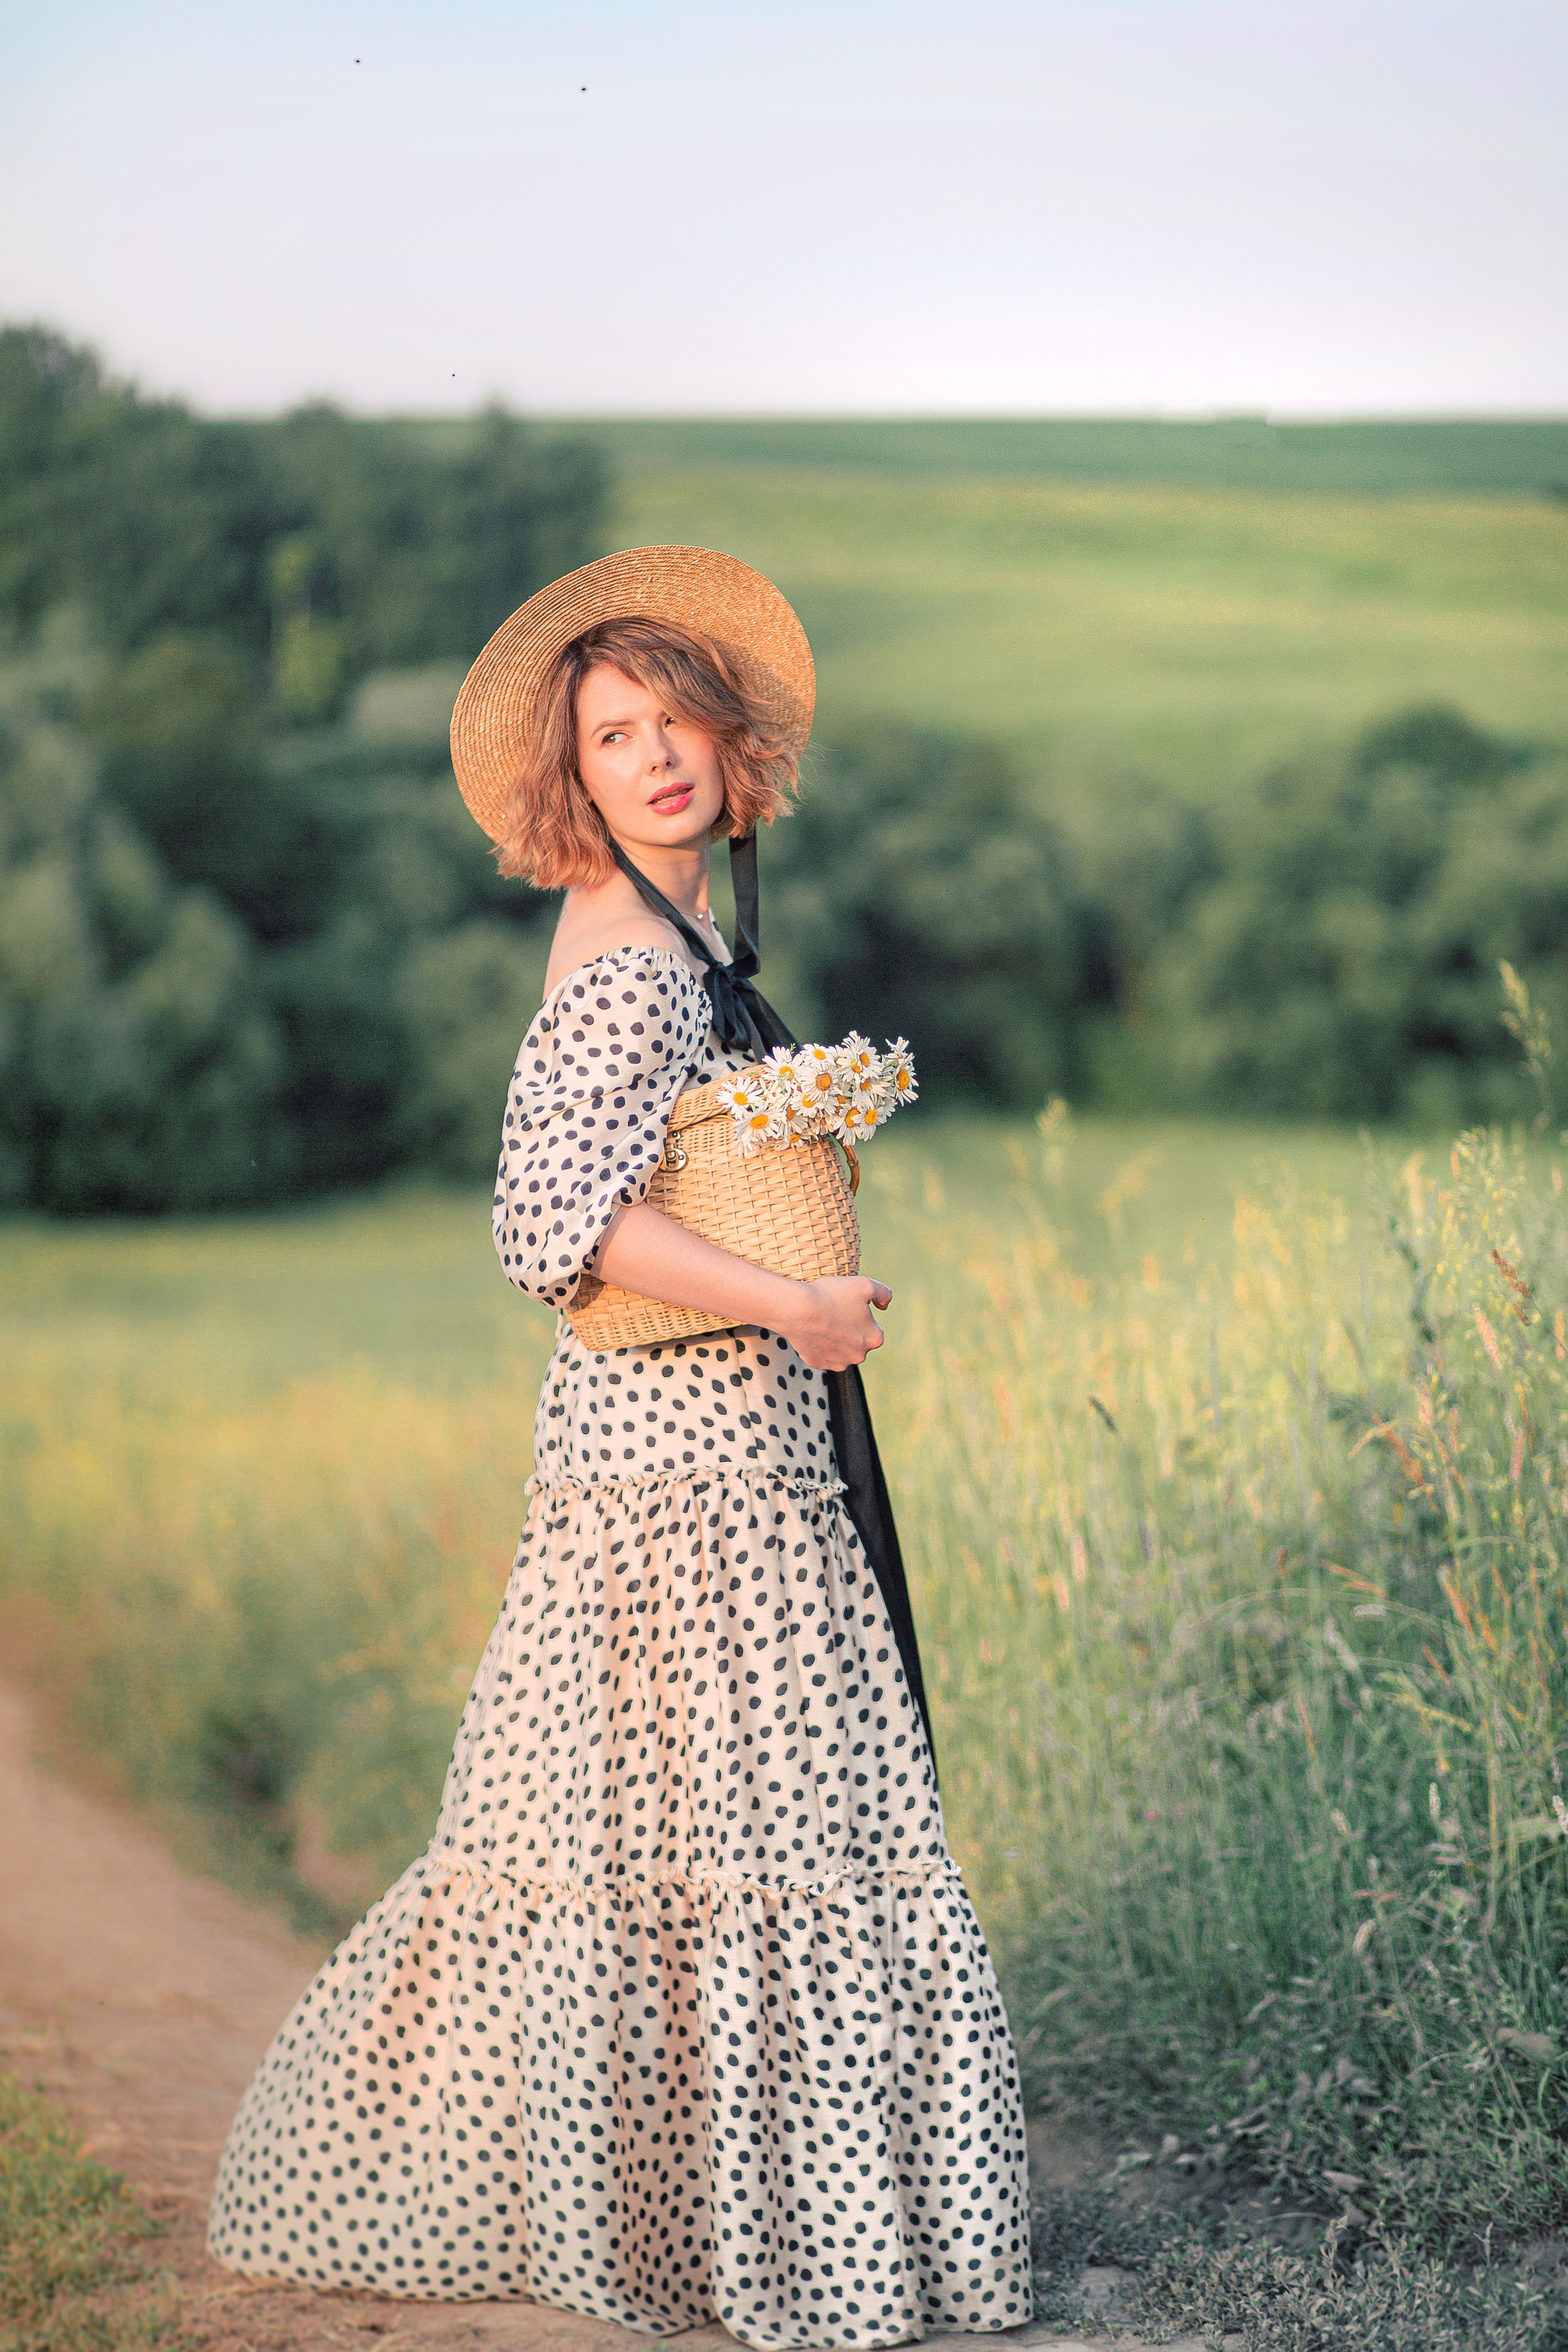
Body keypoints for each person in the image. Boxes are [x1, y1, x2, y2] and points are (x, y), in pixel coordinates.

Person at [208, 549, 1032, 2348]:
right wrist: (788, 1301)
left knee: (696, 1839)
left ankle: (699, 2230)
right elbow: (547, 1227)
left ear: (736, 748)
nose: (657, 760)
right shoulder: (617, 962)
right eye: (614, 735)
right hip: (674, 1474)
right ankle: (734, 2239)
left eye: (678, 723)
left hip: (722, 1455)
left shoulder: (692, 938)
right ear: (568, 779)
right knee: (737, 1834)